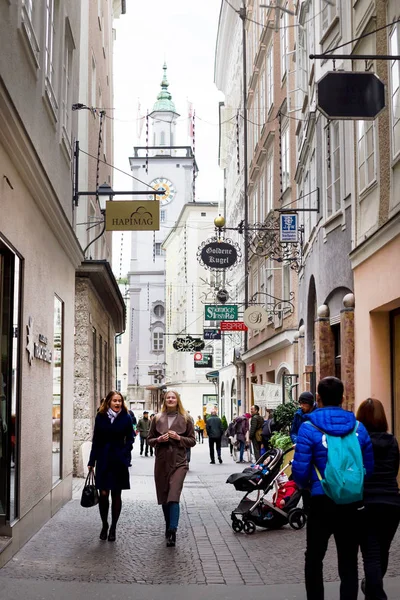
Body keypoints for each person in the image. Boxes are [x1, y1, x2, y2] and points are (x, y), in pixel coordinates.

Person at [292, 376, 374, 600]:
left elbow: (299, 470)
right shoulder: (359, 428)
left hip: (320, 500)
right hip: (351, 501)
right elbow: (368, 467)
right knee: (348, 559)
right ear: (343, 398)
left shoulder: (309, 429)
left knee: (315, 557)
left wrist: (308, 486)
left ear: (318, 398)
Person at [356, 398, 400, 600]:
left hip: (367, 503)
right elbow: (394, 470)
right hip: (392, 503)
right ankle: (372, 589)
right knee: (383, 552)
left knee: (371, 554)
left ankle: (376, 593)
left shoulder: (358, 441)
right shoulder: (392, 442)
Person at [147, 390, 195, 547]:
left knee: (173, 495)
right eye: (168, 397)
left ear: (177, 400)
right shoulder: (157, 418)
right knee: (164, 497)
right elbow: (149, 440)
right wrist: (159, 439)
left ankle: (173, 530)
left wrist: (179, 438)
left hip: (179, 462)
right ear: (164, 400)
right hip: (161, 462)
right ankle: (168, 527)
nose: (170, 399)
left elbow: (192, 441)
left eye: (173, 397)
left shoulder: (186, 419)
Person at [88, 390, 134, 542]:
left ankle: (113, 527)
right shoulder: (100, 417)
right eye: (114, 400)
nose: (117, 403)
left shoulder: (126, 417)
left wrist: (125, 453)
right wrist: (91, 461)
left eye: (119, 401)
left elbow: (130, 438)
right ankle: (104, 524)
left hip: (119, 461)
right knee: (103, 494)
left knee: (116, 495)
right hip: (104, 459)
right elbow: (96, 440)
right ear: (108, 402)